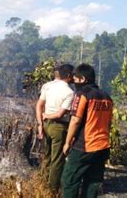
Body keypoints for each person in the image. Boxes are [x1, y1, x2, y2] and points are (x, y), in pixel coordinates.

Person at [61, 64, 113, 198]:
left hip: (85, 145)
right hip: (102, 146)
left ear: (83, 79)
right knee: (92, 182)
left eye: (75, 78)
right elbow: (109, 122)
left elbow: (75, 120)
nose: (74, 81)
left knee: (69, 179)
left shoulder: (82, 94)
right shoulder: (107, 97)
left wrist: (67, 143)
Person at [36, 64, 74, 192]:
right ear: (69, 76)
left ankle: (42, 183)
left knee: (46, 156)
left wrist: (40, 123)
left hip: (46, 125)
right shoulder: (69, 92)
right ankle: (52, 190)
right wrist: (48, 116)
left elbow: (39, 105)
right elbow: (60, 114)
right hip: (59, 127)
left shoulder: (47, 86)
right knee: (57, 160)